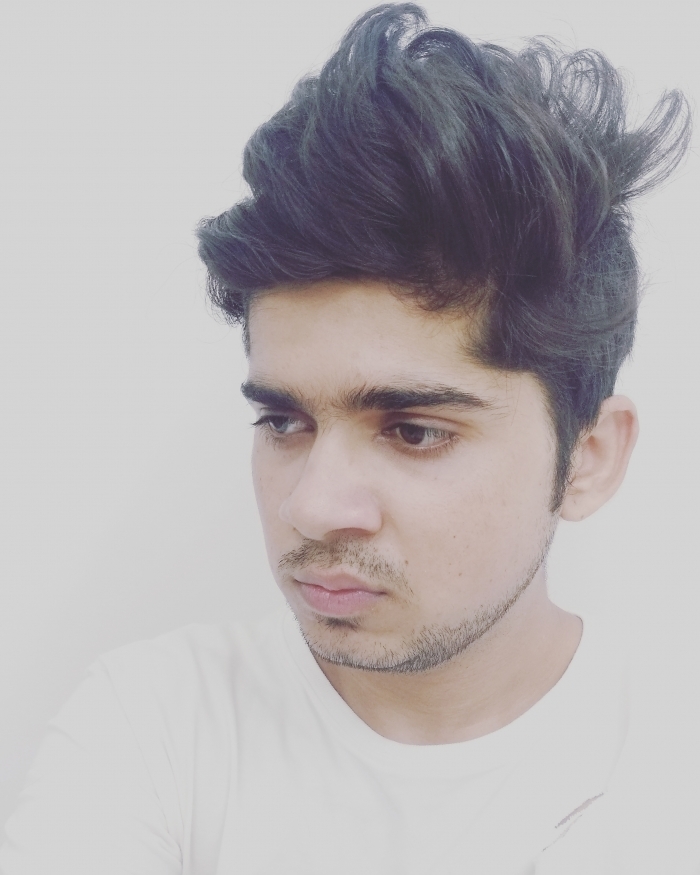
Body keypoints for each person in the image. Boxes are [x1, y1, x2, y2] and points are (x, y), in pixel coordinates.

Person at [0, 4, 694, 873]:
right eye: (284, 421)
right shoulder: (155, 726)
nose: (313, 504)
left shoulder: (674, 770)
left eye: (414, 430)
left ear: (588, 458)